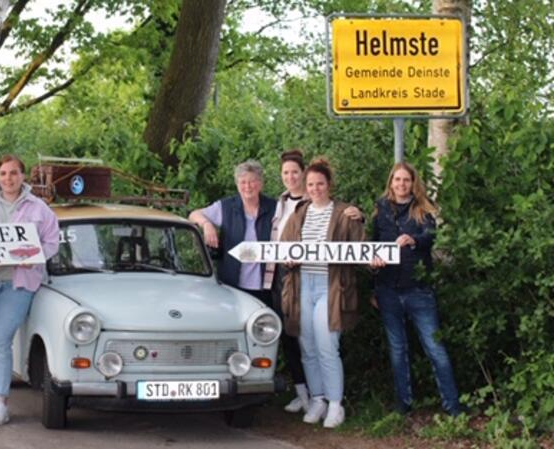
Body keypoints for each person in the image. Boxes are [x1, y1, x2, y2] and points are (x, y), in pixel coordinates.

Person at [263, 149, 363, 414]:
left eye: (320, 184)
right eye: (311, 184)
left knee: (327, 346)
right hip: (302, 286)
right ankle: (317, 399)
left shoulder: (345, 213)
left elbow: (361, 248)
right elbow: (284, 250)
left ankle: (335, 404)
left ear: (328, 185)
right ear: (306, 187)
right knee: (307, 346)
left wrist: (360, 219)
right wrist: (289, 261)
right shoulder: (299, 213)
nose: (316, 188)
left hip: (331, 288)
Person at [0, 155, 59, 425]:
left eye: (14, 173)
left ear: (23, 176)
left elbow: (52, 242)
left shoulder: (39, 208)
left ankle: (0, 400)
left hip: (18, 284)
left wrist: (35, 255)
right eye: (4, 173)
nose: (9, 178)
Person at [370, 162, 462, 416]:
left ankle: (452, 406)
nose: (401, 184)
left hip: (418, 290)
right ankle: (403, 405)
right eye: (397, 180)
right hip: (388, 289)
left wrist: (414, 240)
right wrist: (374, 282)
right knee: (397, 350)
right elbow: (373, 246)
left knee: (435, 349)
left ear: (413, 183)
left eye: (406, 180)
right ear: (391, 182)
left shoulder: (423, 209)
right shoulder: (381, 210)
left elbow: (430, 237)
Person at [188, 160, 276, 304]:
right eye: (242, 182)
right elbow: (194, 214)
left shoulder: (274, 207)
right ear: (237, 184)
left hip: (266, 287)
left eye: (252, 181)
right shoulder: (226, 207)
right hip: (233, 285)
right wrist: (207, 224)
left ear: (260, 183)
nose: (247, 186)